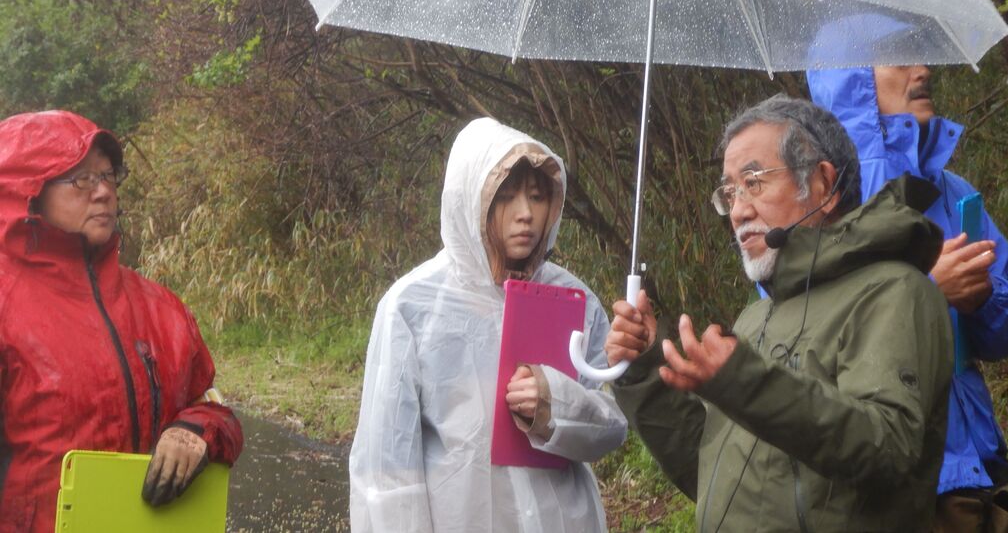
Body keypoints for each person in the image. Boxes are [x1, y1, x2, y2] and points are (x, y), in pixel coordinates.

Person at [605, 95, 954, 532]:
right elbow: (712, 471)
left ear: (824, 185)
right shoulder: (758, 315)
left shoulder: (895, 293)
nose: (738, 210)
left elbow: (889, 448)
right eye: (729, 191)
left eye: (754, 182)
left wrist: (744, 381)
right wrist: (643, 369)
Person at [349, 117, 627, 532]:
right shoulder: (413, 307)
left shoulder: (574, 299)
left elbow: (611, 427)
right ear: (471, 200)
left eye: (537, 197)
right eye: (507, 197)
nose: (526, 215)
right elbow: (389, 467)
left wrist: (555, 404)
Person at [808, 59, 1008, 531]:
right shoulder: (823, 211)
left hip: (982, 473)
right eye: (900, 58)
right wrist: (930, 292)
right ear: (853, 83)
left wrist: (982, 298)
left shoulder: (953, 192)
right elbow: (810, 343)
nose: (924, 69)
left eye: (922, 54)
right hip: (895, 490)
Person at [0, 110, 244, 532]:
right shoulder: (7, 306)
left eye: (109, 176)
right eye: (81, 179)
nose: (104, 193)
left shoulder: (162, 307)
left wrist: (195, 431)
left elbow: (214, 410)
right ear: (28, 192)